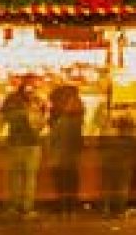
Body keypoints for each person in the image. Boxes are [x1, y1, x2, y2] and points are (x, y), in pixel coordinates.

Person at [0, 79, 46, 218]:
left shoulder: (11, 99)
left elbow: (3, 118)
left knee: (15, 177)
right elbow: (41, 123)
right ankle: (27, 208)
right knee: (30, 177)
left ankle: (15, 206)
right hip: (33, 143)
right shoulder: (37, 101)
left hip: (15, 143)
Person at [94, 101, 136, 220]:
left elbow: (100, 142)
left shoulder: (108, 134)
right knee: (122, 185)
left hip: (108, 158)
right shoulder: (130, 137)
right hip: (124, 160)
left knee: (107, 184)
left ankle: (106, 209)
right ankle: (119, 210)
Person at [47, 84, 84, 219]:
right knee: (71, 181)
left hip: (60, 152)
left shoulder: (57, 111)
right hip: (71, 153)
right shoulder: (77, 110)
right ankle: (71, 209)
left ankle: (63, 208)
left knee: (61, 181)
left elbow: (53, 132)